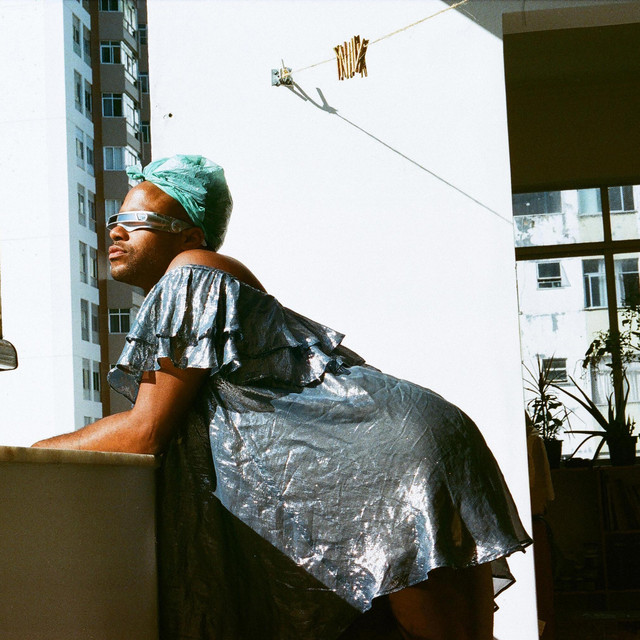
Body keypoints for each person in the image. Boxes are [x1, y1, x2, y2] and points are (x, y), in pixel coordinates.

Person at [33, 155, 532, 640]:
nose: (117, 232)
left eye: (138, 221)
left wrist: (29, 456)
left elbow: (145, 431)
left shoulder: (190, 269)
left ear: (190, 236)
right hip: (406, 446)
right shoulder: (202, 286)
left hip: (395, 461)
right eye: (115, 219)